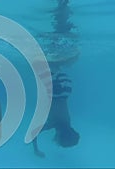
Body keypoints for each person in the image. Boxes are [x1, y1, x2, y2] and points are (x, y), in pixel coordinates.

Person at [31, 0, 80, 157]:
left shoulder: (66, 123)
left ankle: (63, 16)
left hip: (64, 89)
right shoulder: (56, 123)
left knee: (61, 52)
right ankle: (62, 13)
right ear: (59, 135)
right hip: (55, 89)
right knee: (50, 55)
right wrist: (36, 150)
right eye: (58, 140)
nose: (55, 140)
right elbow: (33, 133)